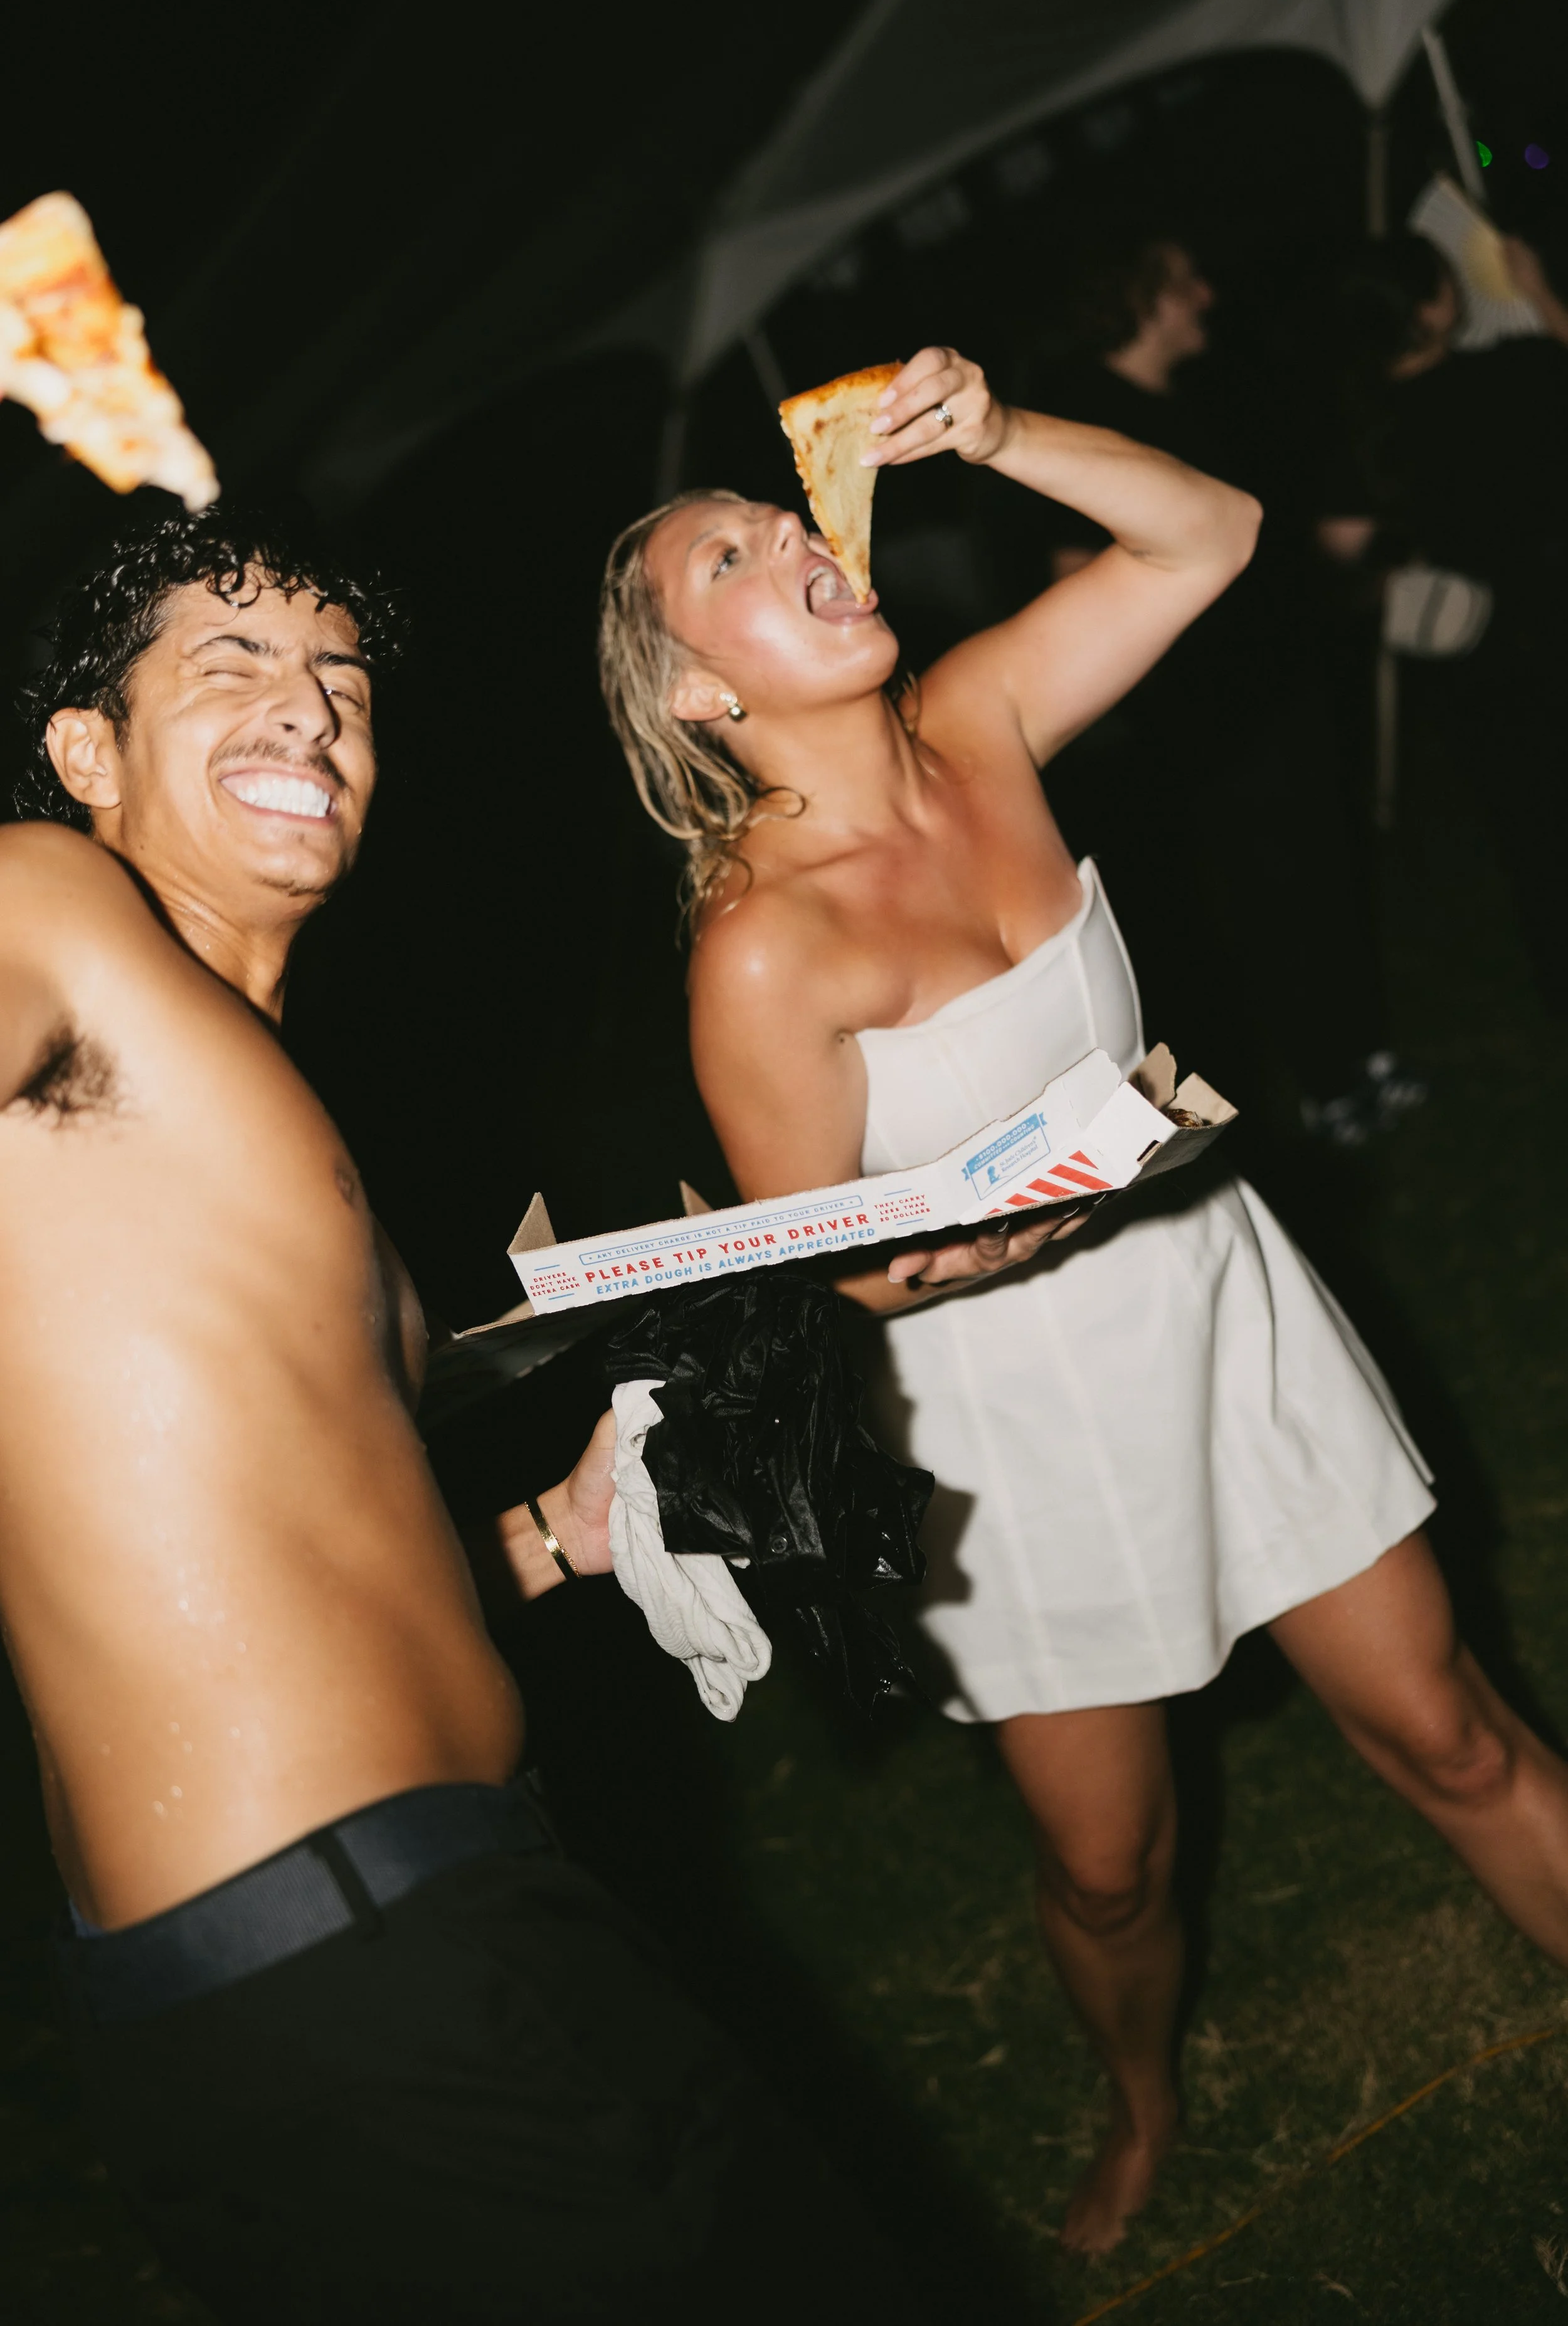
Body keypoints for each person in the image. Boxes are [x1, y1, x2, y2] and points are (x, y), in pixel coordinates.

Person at [595, 350, 1568, 2254]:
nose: (790, 529)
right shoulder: (757, 946)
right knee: (1108, 1866)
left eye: (781, 510)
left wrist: (998, 432)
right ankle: (1137, 2095)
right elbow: (834, 1265)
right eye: (728, 550)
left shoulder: (980, 720)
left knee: (1442, 1728)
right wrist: (956, 1246)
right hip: (998, 1420)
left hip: (1207, 1311)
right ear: (698, 688)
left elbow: (1206, 531)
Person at [1, 511, 911, 2325]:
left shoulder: (245, 1105)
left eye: (340, 678)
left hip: (359, 1955)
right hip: (361, 1965)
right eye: (233, 665)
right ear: (87, 750)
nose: (311, 712)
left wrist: (567, 1527)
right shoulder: (48, 904)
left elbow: (301, 1570)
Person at [976, 230, 1418, 1147]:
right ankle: (1330, 1086)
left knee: (1326, 872)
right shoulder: (1084, 416)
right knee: (1270, 895)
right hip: (1204, 716)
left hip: (1273, 685)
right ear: (1133, 297)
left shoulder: (1190, 400)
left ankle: (1363, 1054)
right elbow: (1076, 583)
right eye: (1181, 281)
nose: (1205, 294)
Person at [1322, 232, 1568, 1014]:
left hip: (1471, 658)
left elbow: (1342, 541)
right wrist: (1537, 292)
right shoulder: (1519, 371)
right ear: (1434, 304)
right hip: (1548, 617)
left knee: (1531, 832)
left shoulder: (1359, 423)